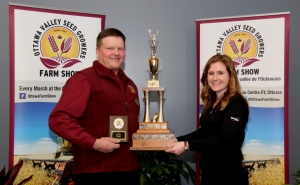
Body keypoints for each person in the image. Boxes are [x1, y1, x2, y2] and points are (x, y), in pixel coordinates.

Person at [49, 28, 140, 185]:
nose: (116, 53)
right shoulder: (83, 79)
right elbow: (59, 120)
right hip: (96, 172)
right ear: (98, 52)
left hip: (129, 170)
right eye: (110, 48)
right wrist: (94, 143)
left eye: (120, 48)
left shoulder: (130, 84)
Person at [166, 53, 249, 185]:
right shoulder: (212, 103)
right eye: (211, 73)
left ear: (230, 75)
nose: (215, 78)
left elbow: (225, 139)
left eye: (220, 73)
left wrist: (187, 145)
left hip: (229, 176)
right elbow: (204, 132)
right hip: (210, 173)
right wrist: (178, 139)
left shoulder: (237, 103)